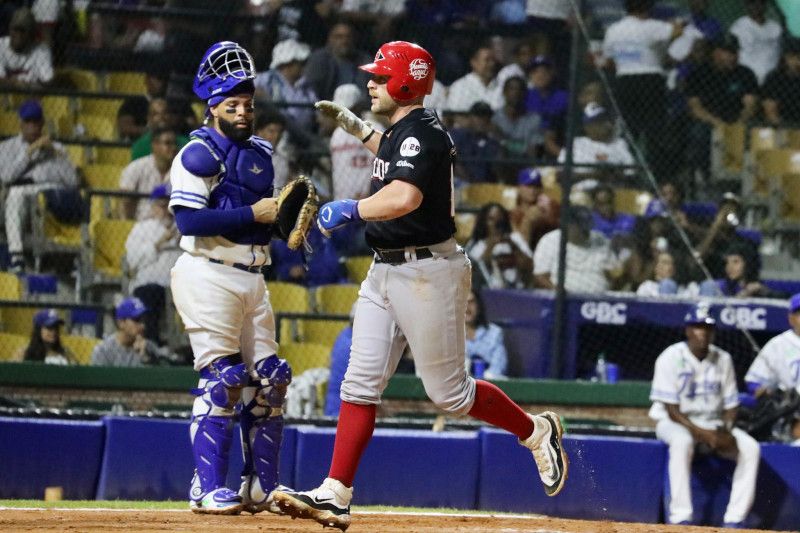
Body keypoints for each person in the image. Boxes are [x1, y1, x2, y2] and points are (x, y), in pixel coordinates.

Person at [272, 40, 568, 531]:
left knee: (450, 395)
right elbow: (394, 158)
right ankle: (336, 492)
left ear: (406, 84)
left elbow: (405, 196)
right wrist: (360, 130)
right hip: (385, 269)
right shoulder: (405, 130)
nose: (371, 82)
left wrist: (350, 209)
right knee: (359, 382)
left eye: (380, 76)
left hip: (428, 272)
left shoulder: (423, 134)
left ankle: (535, 431)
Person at [167, 41, 292, 516]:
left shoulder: (260, 154)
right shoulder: (196, 154)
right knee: (225, 379)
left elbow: (261, 219)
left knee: (272, 379)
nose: (243, 112)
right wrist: (255, 213)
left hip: (253, 275)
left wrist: (284, 224)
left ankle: (261, 488)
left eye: (248, 104)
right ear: (212, 107)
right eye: (233, 105)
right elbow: (188, 221)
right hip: (208, 272)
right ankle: (206, 488)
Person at [649, 303, 760, 527]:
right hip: (673, 422)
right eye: (697, 326)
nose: (702, 332)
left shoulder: (723, 358)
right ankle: (680, 516)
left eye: (707, 327)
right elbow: (672, 410)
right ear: (687, 330)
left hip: (712, 421)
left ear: (713, 332)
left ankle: (735, 519)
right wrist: (706, 435)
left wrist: (725, 431)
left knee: (750, 448)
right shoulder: (670, 357)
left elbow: (731, 405)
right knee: (682, 442)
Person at [0, 100, 78, 273]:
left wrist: (55, 154)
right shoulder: (7, 147)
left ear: (42, 123)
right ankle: (17, 256)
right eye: (28, 122)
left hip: (48, 191)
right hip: (20, 190)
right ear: (21, 124)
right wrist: (29, 153)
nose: (32, 127)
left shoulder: (57, 148)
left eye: (35, 122)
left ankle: (17, 256)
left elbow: (72, 181)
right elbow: (7, 176)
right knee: (16, 193)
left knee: (17, 194)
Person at [602, 0, 682, 162]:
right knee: (654, 128)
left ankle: (626, 165)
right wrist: (674, 23)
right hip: (650, 79)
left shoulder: (614, 29)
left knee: (628, 128)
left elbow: (609, 61)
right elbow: (677, 31)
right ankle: (655, 167)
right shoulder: (652, 26)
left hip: (625, 79)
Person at [685, 35, 758, 182]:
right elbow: (695, 108)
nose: (733, 57)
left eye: (735, 53)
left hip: (736, 119)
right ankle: (705, 176)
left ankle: (748, 181)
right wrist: (717, 123)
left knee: (756, 133)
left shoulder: (745, 73)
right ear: (716, 53)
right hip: (709, 121)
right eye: (728, 53)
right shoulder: (699, 74)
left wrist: (740, 121)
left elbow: (750, 104)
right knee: (699, 133)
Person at [124, 184, 181, 344]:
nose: (166, 210)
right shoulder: (141, 228)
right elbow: (132, 259)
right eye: (161, 205)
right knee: (150, 294)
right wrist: (159, 243)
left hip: (179, 283)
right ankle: (151, 345)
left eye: (169, 205)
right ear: (152, 207)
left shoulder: (184, 227)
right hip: (151, 283)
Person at [744, 293, 800, 444]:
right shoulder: (778, 345)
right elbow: (753, 382)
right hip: (790, 412)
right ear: (791, 318)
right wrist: (768, 392)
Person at [533, 205, 624, 293]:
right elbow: (540, 276)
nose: (586, 231)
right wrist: (559, 293)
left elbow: (614, 273)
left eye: (587, 226)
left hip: (598, 299)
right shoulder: (550, 240)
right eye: (581, 227)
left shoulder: (600, 239)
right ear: (568, 225)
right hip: (563, 299)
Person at [90, 297, 176, 367]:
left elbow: (166, 372)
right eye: (137, 320)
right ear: (121, 323)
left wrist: (146, 357)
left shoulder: (148, 347)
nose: (143, 325)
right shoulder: (103, 350)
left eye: (143, 320)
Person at [119, 126, 178, 220]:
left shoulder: (181, 170)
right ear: (155, 145)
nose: (174, 148)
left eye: (175, 143)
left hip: (173, 223)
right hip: (143, 222)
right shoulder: (136, 167)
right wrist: (128, 224)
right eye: (168, 143)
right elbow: (125, 202)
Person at [329, 83, 373, 200]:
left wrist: (370, 191)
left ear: (358, 106)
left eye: (349, 109)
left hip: (367, 200)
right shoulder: (337, 134)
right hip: (341, 199)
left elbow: (380, 167)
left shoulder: (373, 128)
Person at [730, 0, 782, 85]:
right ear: (746, 5)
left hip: (771, 77)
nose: (756, 6)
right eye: (752, 3)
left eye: (760, 3)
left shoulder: (776, 28)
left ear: (765, 5)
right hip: (746, 75)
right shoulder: (738, 26)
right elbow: (733, 50)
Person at [0, 7, 53, 88]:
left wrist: (11, 82)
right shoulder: (1, 46)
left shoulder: (41, 50)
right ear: (10, 29)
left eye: (23, 31)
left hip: (32, 95)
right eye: (15, 29)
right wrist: (15, 83)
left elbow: (48, 80)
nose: (18, 35)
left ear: (31, 34)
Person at [510, 167, 559, 250]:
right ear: (519, 188)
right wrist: (528, 220)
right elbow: (519, 248)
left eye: (536, 186)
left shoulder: (551, 207)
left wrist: (548, 217)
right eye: (528, 186)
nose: (533, 190)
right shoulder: (514, 214)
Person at [445, 44, 502, 113]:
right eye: (487, 60)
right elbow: (454, 115)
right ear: (474, 62)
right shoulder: (460, 87)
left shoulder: (502, 86)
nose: (492, 64)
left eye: (493, 60)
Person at [465, 288, 508, 379]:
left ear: (479, 306)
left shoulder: (494, 333)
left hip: (487, 383)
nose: (467, 307)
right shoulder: (450, 336)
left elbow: (498, 368)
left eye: (471, 302)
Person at [762, 39, 800, 127]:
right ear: (786, 57)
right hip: (781, 122)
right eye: (793, 57)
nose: (797, 62)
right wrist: (782, 127)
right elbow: (769, 106)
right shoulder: (774, 77)